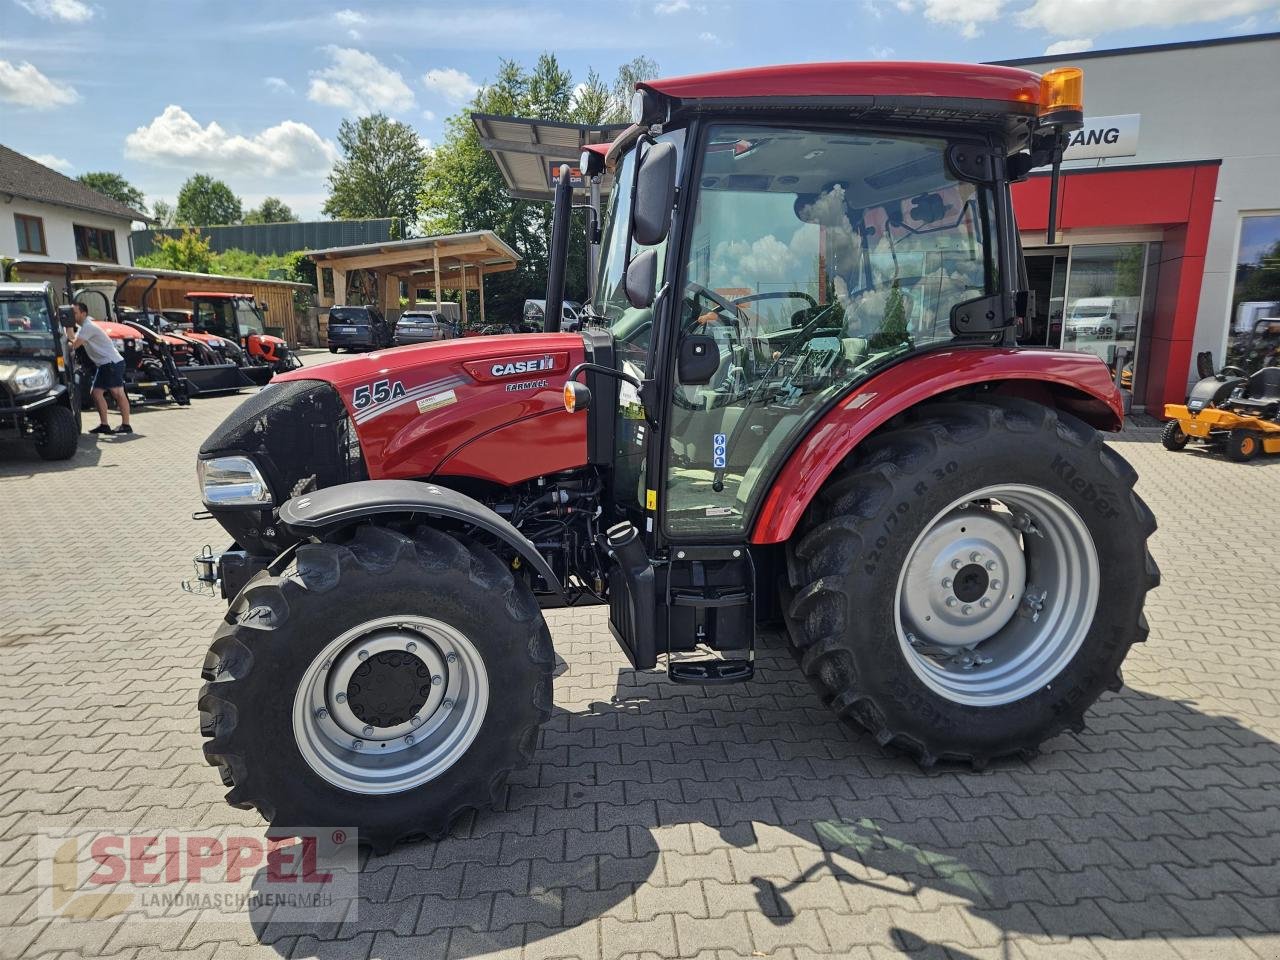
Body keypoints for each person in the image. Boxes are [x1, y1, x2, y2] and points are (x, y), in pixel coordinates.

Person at [65, 302, 132, 435]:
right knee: (96, 393)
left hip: (111, 363)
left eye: (74, 313)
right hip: (105, 365)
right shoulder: (84, 326)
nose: (72, 315)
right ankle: (104, 425)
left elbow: (73, 345)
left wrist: (67, 326)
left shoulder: (87, 327)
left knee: (118, 393)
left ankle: (126, 425)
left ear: (83, 313)